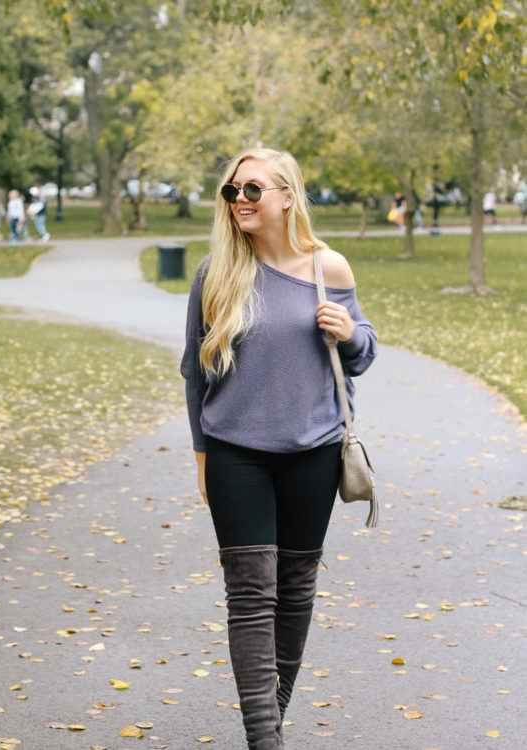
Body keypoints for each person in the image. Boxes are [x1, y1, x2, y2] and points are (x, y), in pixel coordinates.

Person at [180, 148, 378, 749]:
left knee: (294, 591)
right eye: (232, 191)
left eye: (253, 190)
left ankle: (271, 723)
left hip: (313, 454)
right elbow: (195, 372)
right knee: (249, 594)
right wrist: (202, 458)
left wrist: (349, 334)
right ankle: (265, 741)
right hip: (235, 453)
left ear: (287, 196)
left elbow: (364, 352)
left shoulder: (328, 267)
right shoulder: (216, 274)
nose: (240, 199)